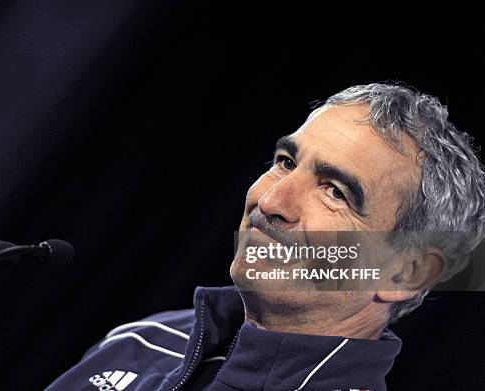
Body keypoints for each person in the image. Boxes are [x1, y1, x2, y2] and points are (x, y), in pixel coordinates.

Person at [46, 83, 485, 391]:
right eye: (286, 162)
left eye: (336, 192)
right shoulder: (145, 338)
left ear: (407, 273)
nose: (272, 200)